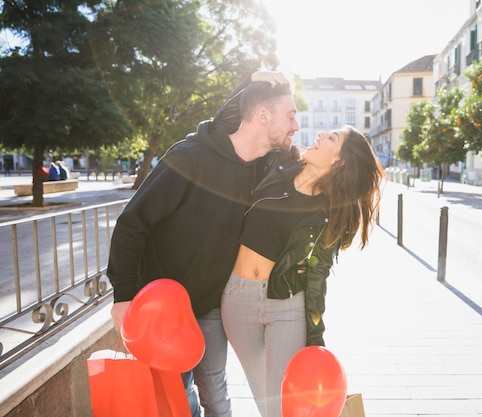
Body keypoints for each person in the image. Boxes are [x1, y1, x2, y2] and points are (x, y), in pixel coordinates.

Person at [106, 71, 298, 417]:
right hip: (163, 303)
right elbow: (132, 223)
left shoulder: (264, 169)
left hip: (211, 304)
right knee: (177, 396)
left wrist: (251, 84)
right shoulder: (190, 157)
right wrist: (123, 294)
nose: (297, 125)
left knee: (216, 393)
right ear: (264, 117)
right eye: (291, 114)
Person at [221, 125, 384, 417]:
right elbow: (238, 123)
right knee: (263, 395)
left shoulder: (329, 213)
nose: (320, 134)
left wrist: (315, 344)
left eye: (331, 138)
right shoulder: (275, 166)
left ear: (339, 161)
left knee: (280, 403)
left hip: (287, 303)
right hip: (237, 298)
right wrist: (256, 80)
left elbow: (317, 276)